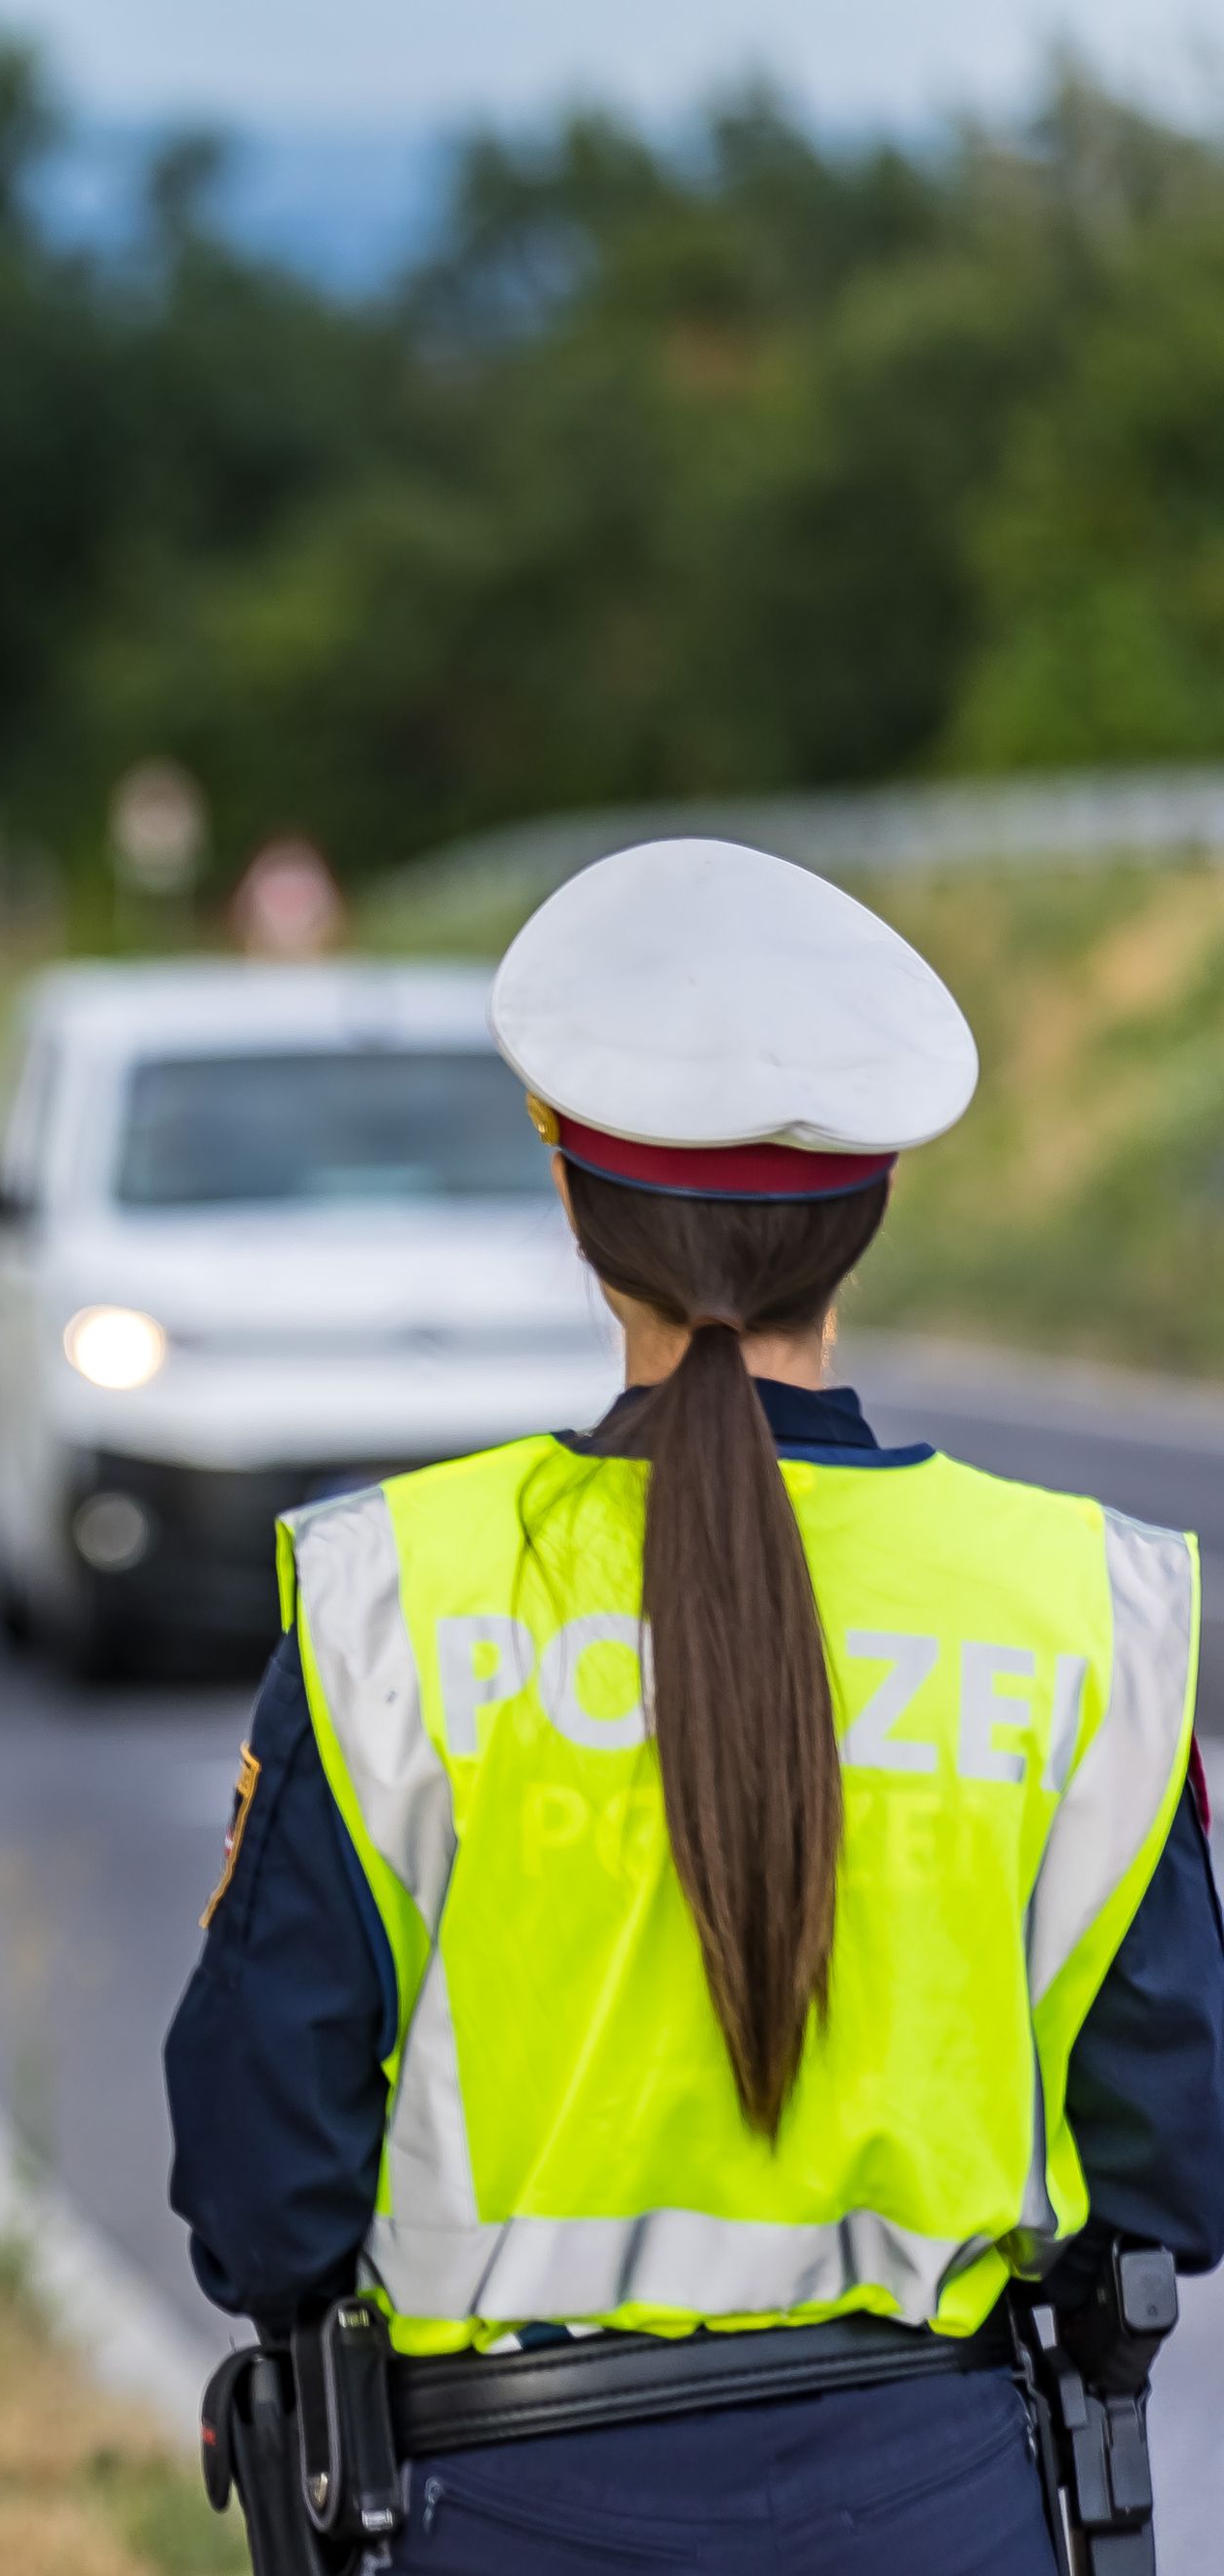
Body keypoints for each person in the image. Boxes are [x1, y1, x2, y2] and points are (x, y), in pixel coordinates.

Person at [164, 837, 1224, 2573]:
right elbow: (1177, 2169)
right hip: (942, 2505)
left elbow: (259, 2197)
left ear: (576, 1202)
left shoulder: (393, 1599)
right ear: (867, 1207)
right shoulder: (1083, 1608)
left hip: (494, 2511)